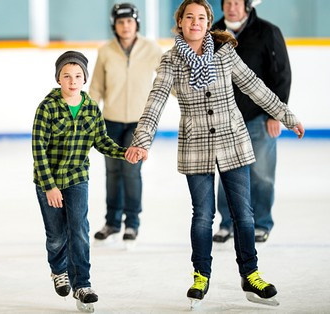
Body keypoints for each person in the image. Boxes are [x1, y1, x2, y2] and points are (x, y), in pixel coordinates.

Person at [125, 0, 304, 308]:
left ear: (209, 23)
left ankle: (251, 274)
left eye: (202, 18)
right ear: (180, 21)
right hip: (196, 147)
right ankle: (201, 275)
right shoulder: (170, 62)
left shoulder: (224, 53)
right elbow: (155, 102)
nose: (195, 22)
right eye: (189, 17)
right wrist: (141, 141)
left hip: (233, 141)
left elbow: (255, 87)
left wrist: (287, 116)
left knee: (244, 215)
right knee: (203, 216)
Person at [32, 51, 133, 312]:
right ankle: (58, 270)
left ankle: (83, 284)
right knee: (56, 235)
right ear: (58, 79)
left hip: (77, 178)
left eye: (78, 76)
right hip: (49, 180)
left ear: (85, 78)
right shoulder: (47, 107)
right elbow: (38, 150)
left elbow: (101, 141)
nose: (73, 80)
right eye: (67, 76)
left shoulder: (90, 108)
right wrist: (50, 186)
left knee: (78, 230)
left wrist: (125, 152)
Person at [211, 0, 291, 244]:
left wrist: (275, 113)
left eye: (236, 3)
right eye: (227, 3)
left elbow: (282, 75)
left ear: (246, 5)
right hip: (225, 120)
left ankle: (261, 223)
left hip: (259, 118)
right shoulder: (213, 32)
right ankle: (227, 223)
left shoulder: (268, 32)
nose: (231, 7)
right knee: (226, 174)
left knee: (261, 174)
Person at [89, 2, 162, 242]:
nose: (125, 26)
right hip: (110, 120)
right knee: (112, 172)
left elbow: (166, 80)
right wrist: (85, 115)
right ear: (115, 25)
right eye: (120, 22)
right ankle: (112, 222)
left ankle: (132, 223)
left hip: (140, 123)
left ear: (136, 23)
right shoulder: (106, 51)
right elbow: (96, 87)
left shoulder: (151, 49)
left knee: (131, 172)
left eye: (129, 21)